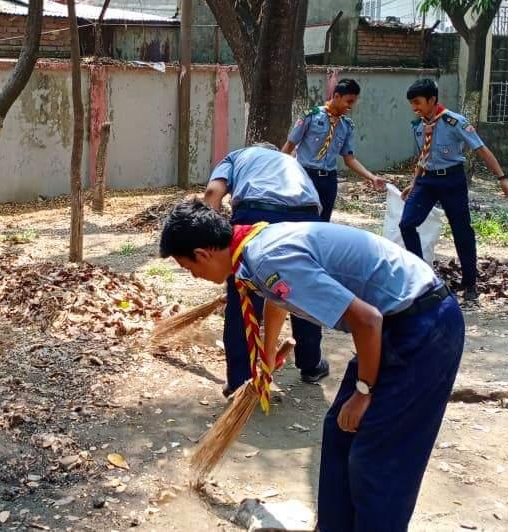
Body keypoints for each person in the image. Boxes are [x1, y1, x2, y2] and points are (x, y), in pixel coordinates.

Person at [159, 199, 465, 531]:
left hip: (423, 324)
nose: (196, 276)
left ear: (203, 253)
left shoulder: (267, 257)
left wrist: (364, 392)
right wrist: (266, 357)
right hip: (396, 324)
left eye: (190, 268)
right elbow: (279, 301)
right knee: (339, 431)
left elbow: (367, 320)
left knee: (377, 457)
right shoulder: (254, 249)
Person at [203, 144, 329, 394]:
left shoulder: (236, 156)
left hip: (256, 213)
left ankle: (241, 381)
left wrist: (213, 242)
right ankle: (310, 363)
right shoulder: (289, 161)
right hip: (306, 217)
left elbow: (212, 193)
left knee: (243, 298)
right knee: (301, 290)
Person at [400, 78, 508, 301]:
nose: (414, 108)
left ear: (432, 100)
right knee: (407, 223)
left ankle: (470, 284)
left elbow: (480, 149)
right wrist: (414, 183)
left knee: (462, 232)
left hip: (452, 180)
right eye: (412, 104)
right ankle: (422, 278)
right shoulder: (419, 125)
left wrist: (502, 178)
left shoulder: (454, 121)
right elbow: (423, 155)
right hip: (427, 182)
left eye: (418, 103)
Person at [283, 78, 387, 221]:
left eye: (353, 102)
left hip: (329, 180)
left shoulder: (346, 125)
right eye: (349, 101)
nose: (350, 106)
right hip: (305, 176)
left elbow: (350, 159)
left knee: (323, 222)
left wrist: (372, 177)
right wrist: (279, 171)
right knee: (301, 219)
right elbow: (290, 145)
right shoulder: (310, 116)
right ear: (336, 96)